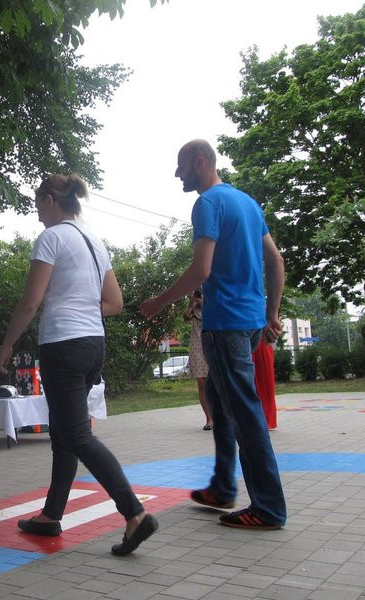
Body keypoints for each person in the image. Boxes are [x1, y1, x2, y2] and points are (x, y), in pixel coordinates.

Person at [0, 173, 158, 556]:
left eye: (37, 204)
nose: (37, 213)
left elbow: (30, 302)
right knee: (66, 433)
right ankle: (51, 516)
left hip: (64, 346)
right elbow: (115, 303)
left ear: (51, 199)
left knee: (77, 436)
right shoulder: (94, 241)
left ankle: (134, 514)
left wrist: (5, 345)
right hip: (92, 344)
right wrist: (81, 305)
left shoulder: (51, 238)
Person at [140, 139, 287, 530]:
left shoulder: (207, 204)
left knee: (245, 414)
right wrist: (270, 312)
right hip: (251, 322)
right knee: (222, 406)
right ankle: (223, 486)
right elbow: (276, 259)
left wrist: (159, 302)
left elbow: (201, 270)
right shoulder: (248, 203)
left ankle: (269, 508)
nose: (177, 174)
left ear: (200, 162)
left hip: (224, 325)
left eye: (181, 166)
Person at [185, 289, 212, 430]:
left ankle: (220, 416)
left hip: (212, 343)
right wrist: (192, 303)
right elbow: (185, 317)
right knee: (201, 382)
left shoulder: (210, 304)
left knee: (214, 381)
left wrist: (202, 302)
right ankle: (209, 418)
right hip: (197, 345)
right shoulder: (194, 307)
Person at [253, 339, 277, 430]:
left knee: (266, 383)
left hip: (262, 343)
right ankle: (256, 419)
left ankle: (267, 419)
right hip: (246, 342)